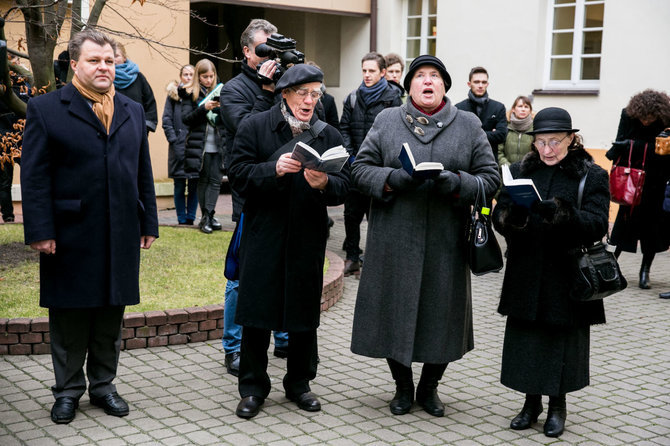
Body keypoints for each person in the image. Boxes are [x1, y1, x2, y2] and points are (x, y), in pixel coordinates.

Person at [20, 29, 158, 424]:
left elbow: (142, 172)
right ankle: (67, 391)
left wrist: (148, 219)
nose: (103, 67)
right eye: (95, 60)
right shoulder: (46, 109)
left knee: (110, 312)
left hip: (120, 231)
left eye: (109, 61)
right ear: (75, 64)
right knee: (69, 314)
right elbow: (34, 177)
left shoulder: (131, 110)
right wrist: (41, 230)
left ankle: (103, 386)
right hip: (69, 233)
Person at [349, 55, 500, 418]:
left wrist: (457, 182)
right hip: (393, 239)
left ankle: (429, 388)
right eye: (420, 77)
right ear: (409, 86)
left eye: (435, 76)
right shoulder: (387, 120)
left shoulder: (468, 124)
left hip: (446, 243)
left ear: (445, 85)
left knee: (442, 318)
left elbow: (490, 178)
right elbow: (359, 169)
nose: (427, 82)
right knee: (391, 312)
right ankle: (402, 387)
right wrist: (393, 179)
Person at [228, 64, 349, 419]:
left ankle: (299, 384)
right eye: (303, 93)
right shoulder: (254, 126)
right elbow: (237, 176)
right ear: (285, 93)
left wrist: (325, 184)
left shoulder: (328, 135)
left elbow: (344, 187)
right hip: (264, 235)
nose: (310, 101)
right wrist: (273, 169)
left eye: (316, 94)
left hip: (307, 236)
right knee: (256, 312)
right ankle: (252, 388)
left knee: (303, 314)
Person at [492, 107, 610, 438]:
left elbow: (598, 224)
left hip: (568, 275)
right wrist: (512, 216)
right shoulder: (518, 170)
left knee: (560, 344)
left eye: (554, 141)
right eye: (541, 142)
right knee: (528, 342)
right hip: (526, 271)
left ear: (571, 139)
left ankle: (557, 407)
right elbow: (499, 215)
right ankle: (531, 405)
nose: (547, 150)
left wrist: (562, 214)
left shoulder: (591, 174)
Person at [219, 18, 288, 377]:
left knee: (284, 269)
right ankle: (232, 347)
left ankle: (285, 335)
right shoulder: (233, 91)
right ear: (247, 51)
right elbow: (249, 131)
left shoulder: (287, 84)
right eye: (264, 48)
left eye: (274, 47)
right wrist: (266, 88)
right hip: (253, 195)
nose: (271, 55)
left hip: (289, 195)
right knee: (241, 275)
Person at [340, 52, 402, 276]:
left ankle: (374, 260)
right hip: (355, 166)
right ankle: (352, 256)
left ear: (383, 72)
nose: (366, 75)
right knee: (351, 214)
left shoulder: (392, 99)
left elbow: (395, 133)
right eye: (364, 70)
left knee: (375, 215)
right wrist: (350, 156)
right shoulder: (353, 98)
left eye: (371, 71)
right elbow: (344, 128)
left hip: (378, 169)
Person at [606, 89, 670, 289]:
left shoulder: (666, 119)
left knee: (651, 228)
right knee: (623, 224)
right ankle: (611, 266)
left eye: (650, 119)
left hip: (655, 181)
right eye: (643, 118)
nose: (646, 122)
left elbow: (665, 152)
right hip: (630, 179)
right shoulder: (628, 114)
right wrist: (628, 145)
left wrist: (633, 144)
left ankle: (645, 271)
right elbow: (619, 141)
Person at [180, 59, 225, 234]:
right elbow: (186, 119)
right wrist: (203, 108)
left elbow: (228, 119)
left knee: (216, 180)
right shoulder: (190, 93)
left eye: (211, 76)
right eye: (204, 77)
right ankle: (206, 217)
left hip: (219, 143)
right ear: (198, 77)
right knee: (203, 180)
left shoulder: (221, 91)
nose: (208, 80)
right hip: (200, 145)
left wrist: (221, 108)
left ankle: (209, 215)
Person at [163, 64, 198, 225]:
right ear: (180, 76)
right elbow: (166, 119)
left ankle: (191, 217)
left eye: (191, 74)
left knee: (193, 184)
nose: (189, 77)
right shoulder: (173, 96)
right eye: (186, 74)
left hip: (194, 146)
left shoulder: (197, 95)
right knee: (178, 184)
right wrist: (174, 139)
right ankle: (181, 218)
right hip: (177, 146)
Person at [455, 66, 507, 162]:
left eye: (483, 82)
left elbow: (502, 135)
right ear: (469, 84)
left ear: (487, 84)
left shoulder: (498, 107)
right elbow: (457, 136)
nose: (480, 85)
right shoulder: (459, 108)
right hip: (465, 161)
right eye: (476, 82)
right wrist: (490, 133)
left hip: (490, 160)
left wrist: (471, 134)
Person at [113, 43, 158, 133]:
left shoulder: (138, 77)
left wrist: (145, 127)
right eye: (110, 56)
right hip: (112, 132)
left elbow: (150, 103)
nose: (113, 59)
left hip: (137, 131)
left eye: (116, 56)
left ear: (124, 58)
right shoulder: (104, 78)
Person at [498, 95, 534, 167]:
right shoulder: (505, 128)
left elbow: (537, 154)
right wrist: (509, 167)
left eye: (526, 107)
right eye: (520, 106)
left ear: (530, 110)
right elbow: (499, 152)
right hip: (507, 172)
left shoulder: (534, 129)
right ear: (513, 109)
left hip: (528, 172)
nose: (523, 109)